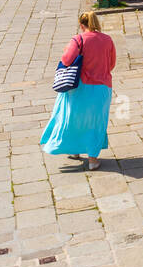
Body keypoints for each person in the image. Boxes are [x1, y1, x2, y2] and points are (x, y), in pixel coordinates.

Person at [40, 12, 117, 170]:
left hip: (79, 88)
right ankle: (93, 160)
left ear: (82, 25)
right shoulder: (108, 40)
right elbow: (112, 64)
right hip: (102, 87)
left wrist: (67, 50)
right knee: (96, 122)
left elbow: (66, 60)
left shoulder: (78, 39)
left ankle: (74, 150)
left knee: (73, 119)